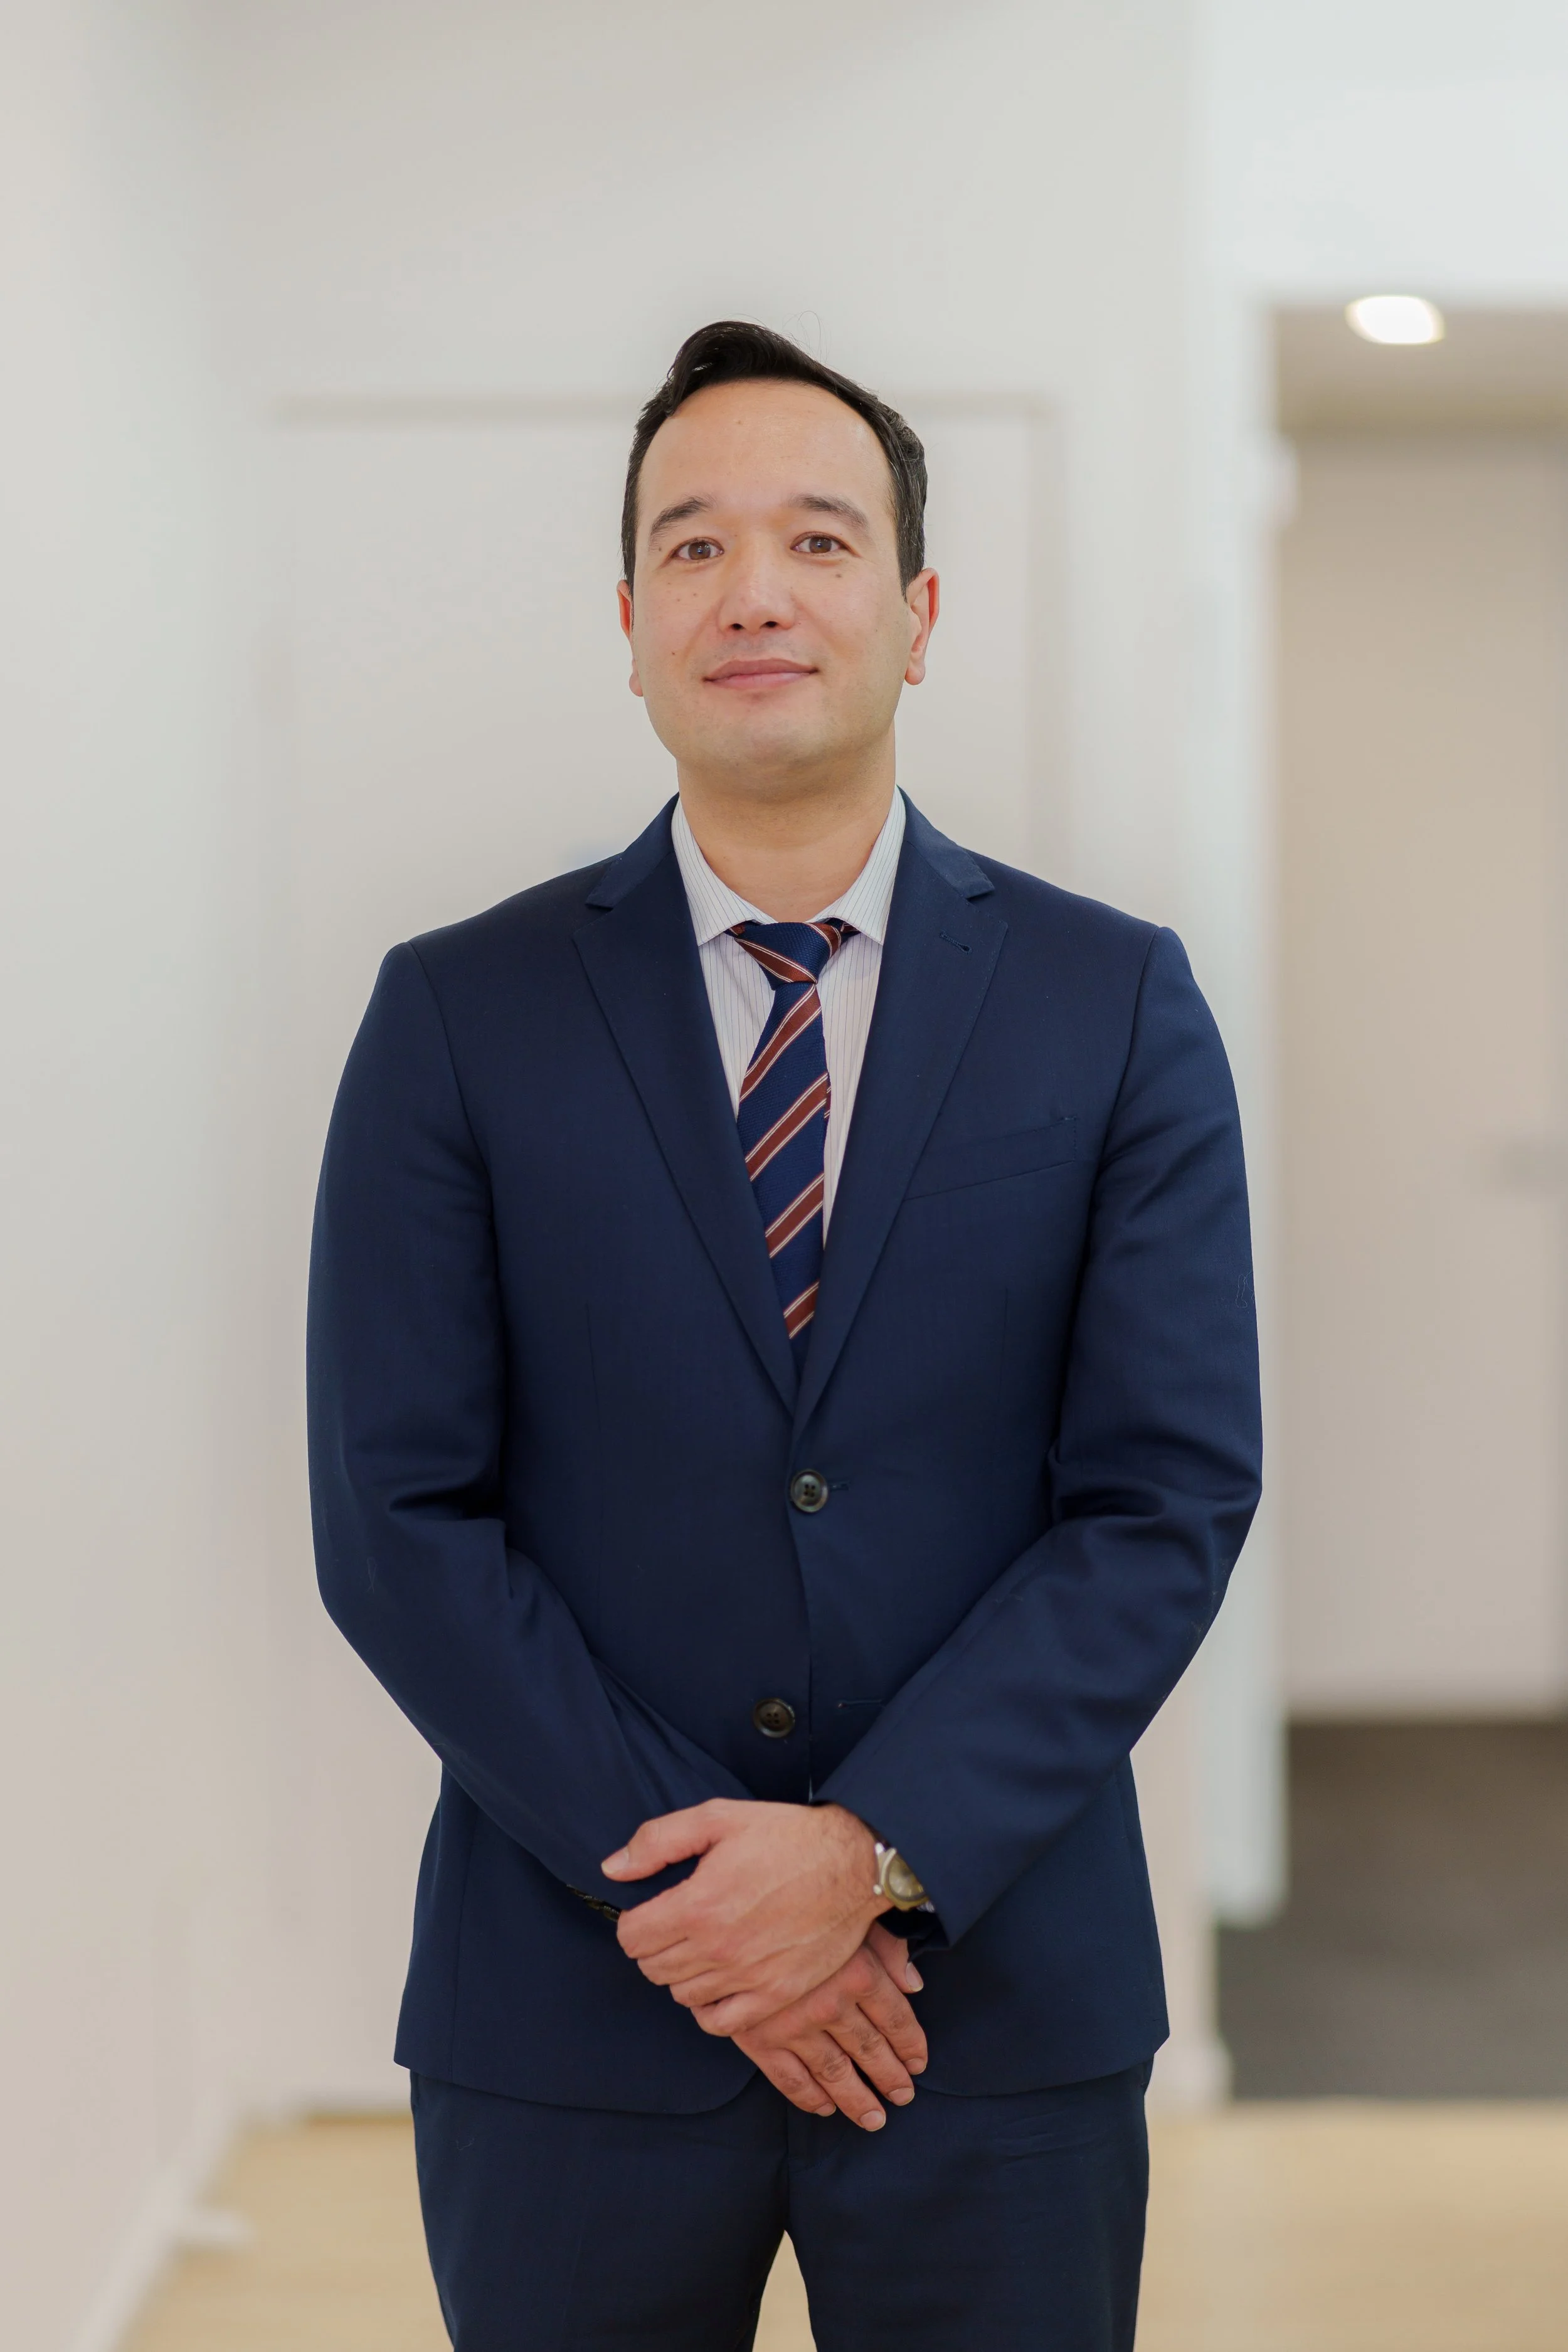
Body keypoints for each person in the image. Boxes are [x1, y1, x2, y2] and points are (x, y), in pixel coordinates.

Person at [307, 319, 1262, 2350]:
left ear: (917, 614)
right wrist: (704, 1893)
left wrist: (870, 1854)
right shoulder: (458, 1013)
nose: (753, 591)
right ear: (629, 625)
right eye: (693, 545)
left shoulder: (1111, 1004)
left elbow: (1161, 1497)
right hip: (573, 2002)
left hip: (989, 2007)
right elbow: (398, 1516)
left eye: (819, 541)